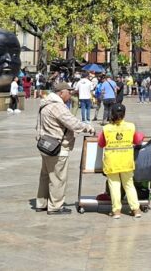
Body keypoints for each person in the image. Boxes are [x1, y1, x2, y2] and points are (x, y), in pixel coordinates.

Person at [35, 81, 96, 215]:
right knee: (58, 178)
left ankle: (42, 203)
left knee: (46, 176)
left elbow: (38, 126)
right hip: (57, 147)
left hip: (45, 145)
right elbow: (72, 123)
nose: (71, 94)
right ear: (61, 93)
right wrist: (88, 128)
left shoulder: (45, 104)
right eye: (69, 92)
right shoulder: (57, 106)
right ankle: (55, 206)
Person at [97, 103, 145, 219]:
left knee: (114, 186)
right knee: (129, 185)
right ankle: (136, 210)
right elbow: (137, 140)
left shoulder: (106, 128)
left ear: (111, 114)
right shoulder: (131, 126)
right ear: (124, 114)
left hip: (112, 162)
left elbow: (101, 143)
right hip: (126, 161)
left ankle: (116, 211)